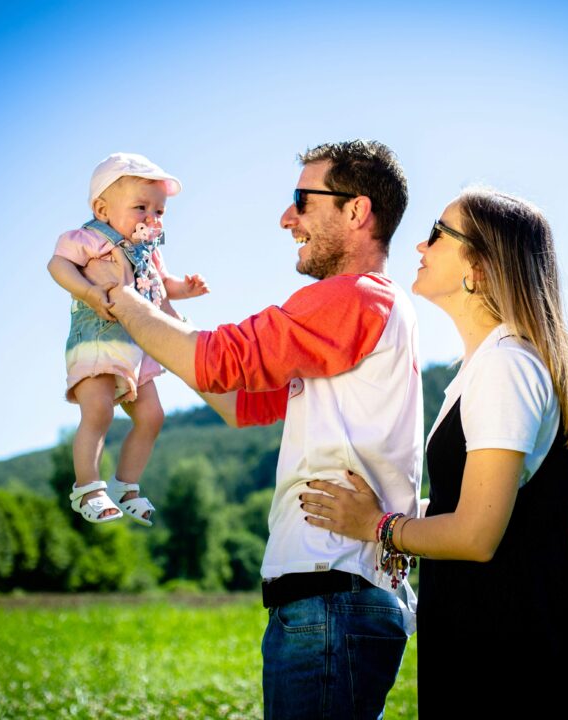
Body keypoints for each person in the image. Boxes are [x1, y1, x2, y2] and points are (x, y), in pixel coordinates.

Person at [85, 140, 423, 719]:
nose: (286, 217)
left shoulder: (352, 297)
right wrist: (154, 307)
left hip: (329, 598)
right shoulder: (362, 311)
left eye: (301, 200)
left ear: (356, 211)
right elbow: (238, 401)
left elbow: (216, 360)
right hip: (331, 599)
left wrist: (115, 296)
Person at [299, 188, 568, 718]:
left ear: (476, 265)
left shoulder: (507, 366)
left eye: (438, 233)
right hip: (501, 625)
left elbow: (478, 535)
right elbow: (495, 509)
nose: (420, 244)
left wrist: (379, 526)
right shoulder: (485, 366)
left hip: (517, 642)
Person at [47, 152, 208, 525]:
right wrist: (87, 292)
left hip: (138, 347)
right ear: (102, 209)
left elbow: (161, 286)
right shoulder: (88, 238)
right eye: (141, 207)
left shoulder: (149, 252)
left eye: (160, 211)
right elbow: (58, 264)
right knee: (99, 411)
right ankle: (88, 487)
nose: (152, 217)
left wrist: (186, 287)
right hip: (98, 339)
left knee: (152, 416)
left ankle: (126, 485)